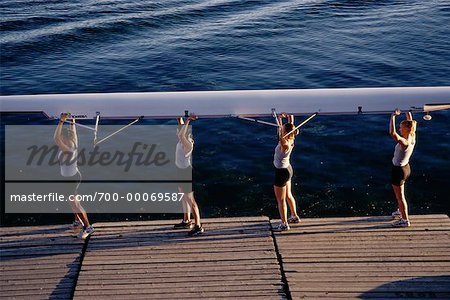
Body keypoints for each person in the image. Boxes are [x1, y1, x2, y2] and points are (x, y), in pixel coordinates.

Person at [54, 113, 94, 239]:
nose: (61, 139)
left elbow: (55, 139)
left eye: (62, 137)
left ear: (65, 138)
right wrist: (72, 119)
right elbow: (73, 128)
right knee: (73, 200)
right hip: (73, 176)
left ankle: (88, 227)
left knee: (74, 204)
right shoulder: (74, 141)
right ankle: (77, 221)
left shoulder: (68, 149)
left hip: (70, 179)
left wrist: (61, 121)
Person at [173, 113, 204, 236]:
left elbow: (181, 133)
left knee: (191, 200)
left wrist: (188, 120)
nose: (177, 132)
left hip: (186, 173)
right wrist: (179, 118)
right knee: (183, 196)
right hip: (180, 171)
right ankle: (186, 220)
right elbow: (181, 130)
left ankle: (198, 226)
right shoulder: (182, 140)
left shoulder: (187, 144)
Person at [389, 109, 417, 227]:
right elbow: (409, 120)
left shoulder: (404, 142)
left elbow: (392, 133)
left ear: (407, 128)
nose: (400, 129)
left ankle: (405, 220)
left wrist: (392, 117)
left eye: (401, 127)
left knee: (400, 197)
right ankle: (401, 211)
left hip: (399, 171)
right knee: (400, 196)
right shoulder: (412, 135)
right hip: (406, 168)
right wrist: (407, 110)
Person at [273, 113, 301, 231]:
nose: (281, 128)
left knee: (281, 200)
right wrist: (286, 117)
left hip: (281, 173)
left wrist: (278, 122)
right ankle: (294, 216)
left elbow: (281, 136)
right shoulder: (292, 137)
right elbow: (290, 126)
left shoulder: (285, 144)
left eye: (282, 129)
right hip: (288, 169)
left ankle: (284, 224)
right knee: (288, 194)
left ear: (285, 132)